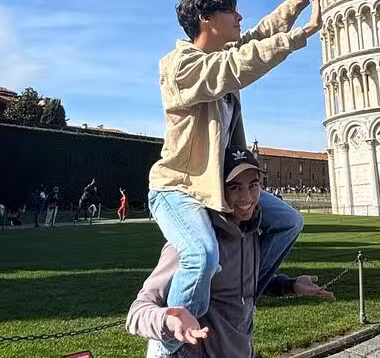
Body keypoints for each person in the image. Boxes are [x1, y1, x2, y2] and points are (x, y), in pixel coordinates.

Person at [145, 0, 324, 355]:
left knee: (289, 222)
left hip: (214, 187)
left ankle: (245, 291)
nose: (240, 18)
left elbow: (261, 33)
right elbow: (235, 66)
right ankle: (167, 346)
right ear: (207, 18)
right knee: (202, 255)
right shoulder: (180, 66)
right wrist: (304, 35)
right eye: (232, 12)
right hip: (178, 190)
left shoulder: (221, 52)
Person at [128, 147, 334, 357]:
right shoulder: (193, 247)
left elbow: (239, 287)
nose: (247, 197)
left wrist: (290, 285)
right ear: (218, 191)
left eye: (253, 186)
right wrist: (168, 321)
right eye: (235, 187)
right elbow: (137, 312)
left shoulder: (252, 236)